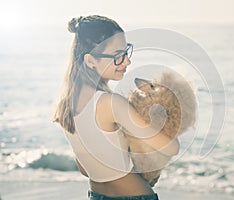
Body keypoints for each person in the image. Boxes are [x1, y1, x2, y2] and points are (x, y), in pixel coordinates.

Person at [53, 15, 179, 200]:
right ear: (90, 61)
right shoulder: (109, 103)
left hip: (96, 195)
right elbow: (171, 148)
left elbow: (85, 170)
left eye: (126, 52)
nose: (127, 61)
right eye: (118, 56)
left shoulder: (65, 106)